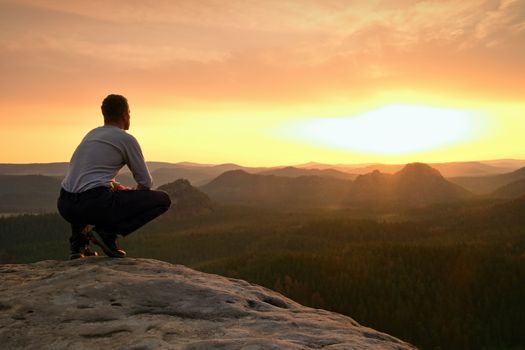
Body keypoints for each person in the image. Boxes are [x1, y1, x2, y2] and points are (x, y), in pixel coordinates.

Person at [57, 94, 171, 259]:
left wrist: (113, 186)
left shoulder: (92, 134)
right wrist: (131, 197)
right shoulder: (126, 139)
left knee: (81, 192)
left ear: (104, 114)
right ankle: (107, 233)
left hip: (65, 204)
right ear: (125, 114)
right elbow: (145, 182)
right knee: (162, 200)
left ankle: (79, 244)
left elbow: (87, 176)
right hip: (93, 203)